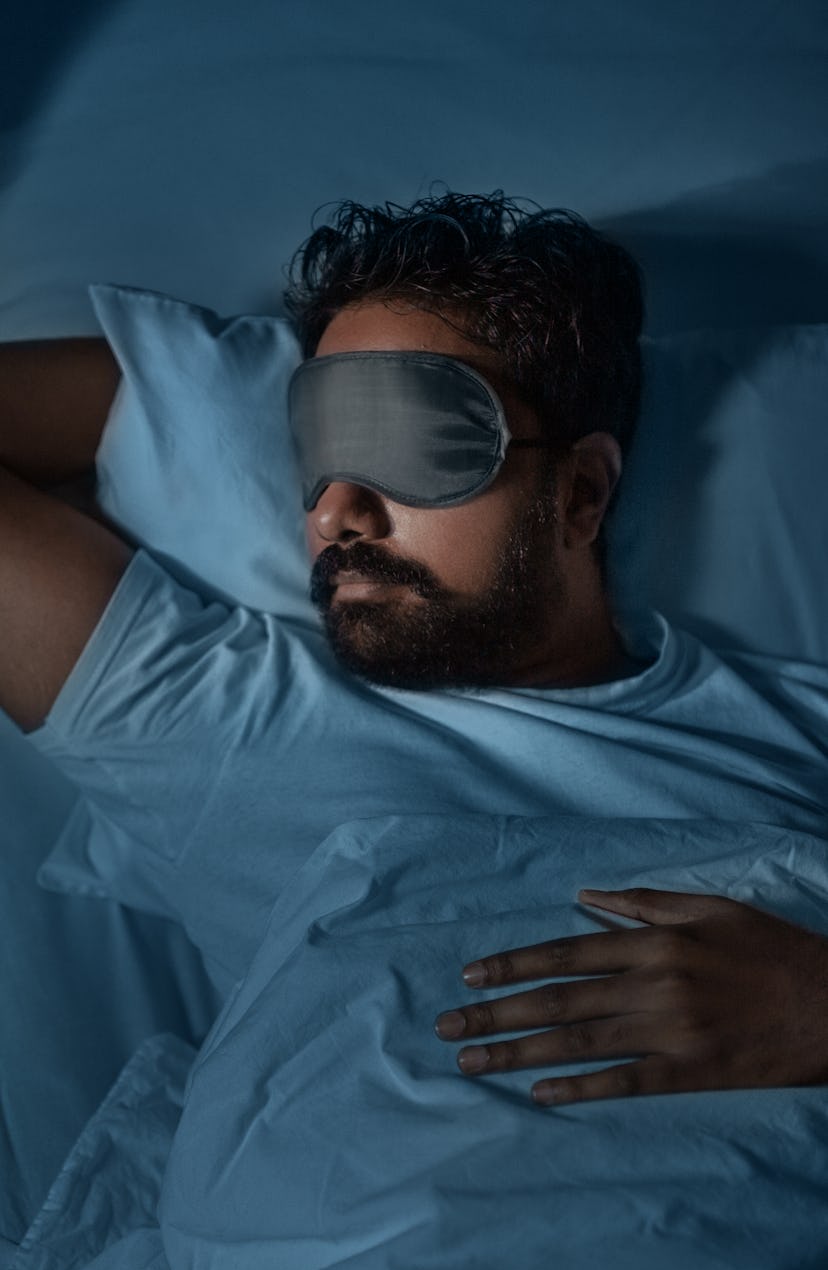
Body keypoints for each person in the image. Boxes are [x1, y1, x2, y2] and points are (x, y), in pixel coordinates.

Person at [2, 188, 828, 1106]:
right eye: (320, 448)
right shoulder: (220, 726)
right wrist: (198, 385)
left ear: (581, 494)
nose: (333, 514)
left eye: (413, 439)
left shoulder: (801, 735)